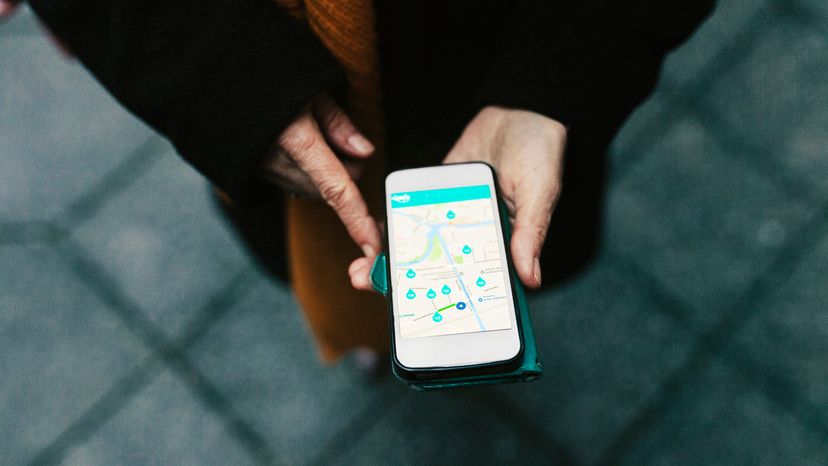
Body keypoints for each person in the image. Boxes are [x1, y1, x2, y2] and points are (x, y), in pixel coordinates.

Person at [7, 0, 713, 364]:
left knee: (499, 239)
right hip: (271, 72)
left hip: (499, 53)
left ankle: (398, 341)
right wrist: (214, 79)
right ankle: (383, 338)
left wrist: (560, 79)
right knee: (344, 247)